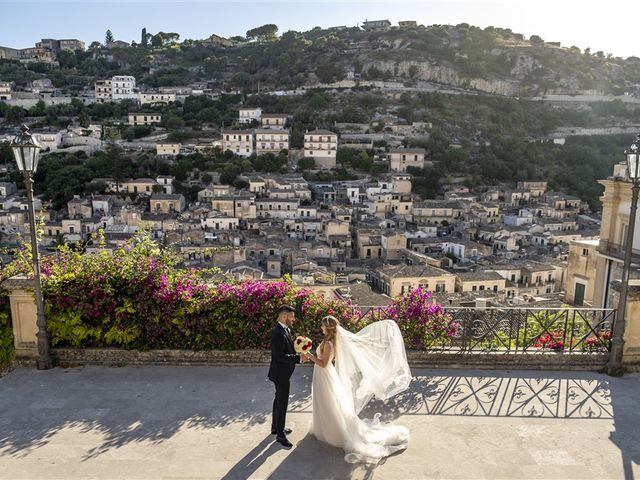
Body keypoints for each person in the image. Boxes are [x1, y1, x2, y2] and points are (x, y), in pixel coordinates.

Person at [304, 315, 412, 464]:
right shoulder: (327, 342)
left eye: (322, 326)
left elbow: (323, 364)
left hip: (325, 375)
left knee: (328, 402)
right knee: (324, 402)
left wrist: (309, 355)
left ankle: (333, 432)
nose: (321, 328)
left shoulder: (329, 344)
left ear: (327, 328)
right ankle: (323, 428)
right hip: (322, 376)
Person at [267, 304, 303, 448]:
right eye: (292, 317)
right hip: (280, 374)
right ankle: (280, 436)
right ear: (284, 316)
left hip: (282, 373)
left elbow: (288, 348)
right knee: (282, 404)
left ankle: (275, 427)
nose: (293, 320)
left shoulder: (284, 330)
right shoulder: (278, 333)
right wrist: (298, 358)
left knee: (278, 400)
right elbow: (279, 356)